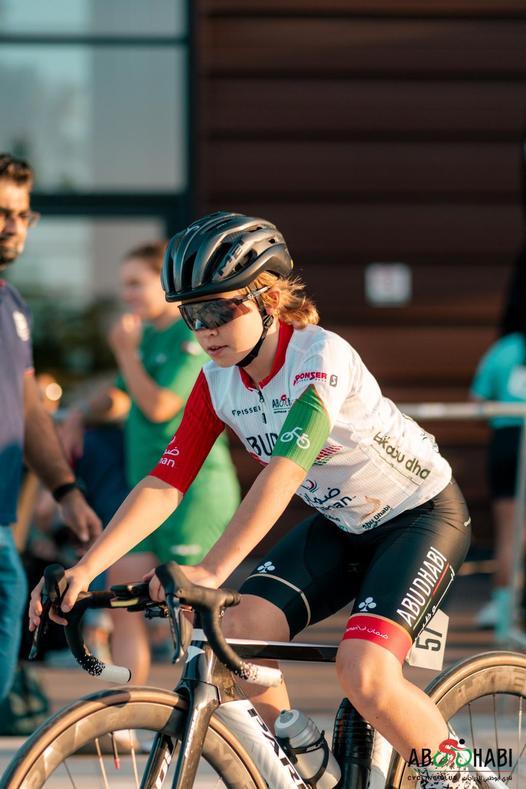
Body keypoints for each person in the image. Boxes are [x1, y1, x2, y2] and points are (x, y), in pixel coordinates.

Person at [30, 212, 472, 789]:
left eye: (219, 311)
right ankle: (308, 765)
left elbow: (284, 473)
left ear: (269, 299)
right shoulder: (216, 381)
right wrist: (86, 569)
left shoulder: (319, 357)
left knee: (364, 674)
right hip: (343, 522)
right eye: (192, 315)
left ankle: (457, 778)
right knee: (235, 634)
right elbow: (166, 482)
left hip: (419, 517)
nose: (205, 330)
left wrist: (210, 570)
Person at [60, 241, 240, 682]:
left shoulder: (189, 333)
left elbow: (160, 405)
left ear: (165, 286)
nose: (128, 295)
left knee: (195, 609)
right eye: (124, 285)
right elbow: (121, 398)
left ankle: (208, 708)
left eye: (136, 284)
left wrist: (125, 353)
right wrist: (80, 413)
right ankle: (129, 702)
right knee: (120, 589)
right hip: (150, 489)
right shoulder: (148, 336)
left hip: (193, 494)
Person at [0, 152, 101, 703]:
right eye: (2, 212)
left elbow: (31, 409)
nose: (14, 225)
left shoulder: (12, 305)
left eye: (23, 214)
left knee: (9, 600)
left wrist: (66, 491)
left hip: (2, 515)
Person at [471, 320, 526, 629]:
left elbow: (477, 400)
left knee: (510, 533)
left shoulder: (505, 348)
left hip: (507, 440)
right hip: (515, 440)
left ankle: (504, 606)